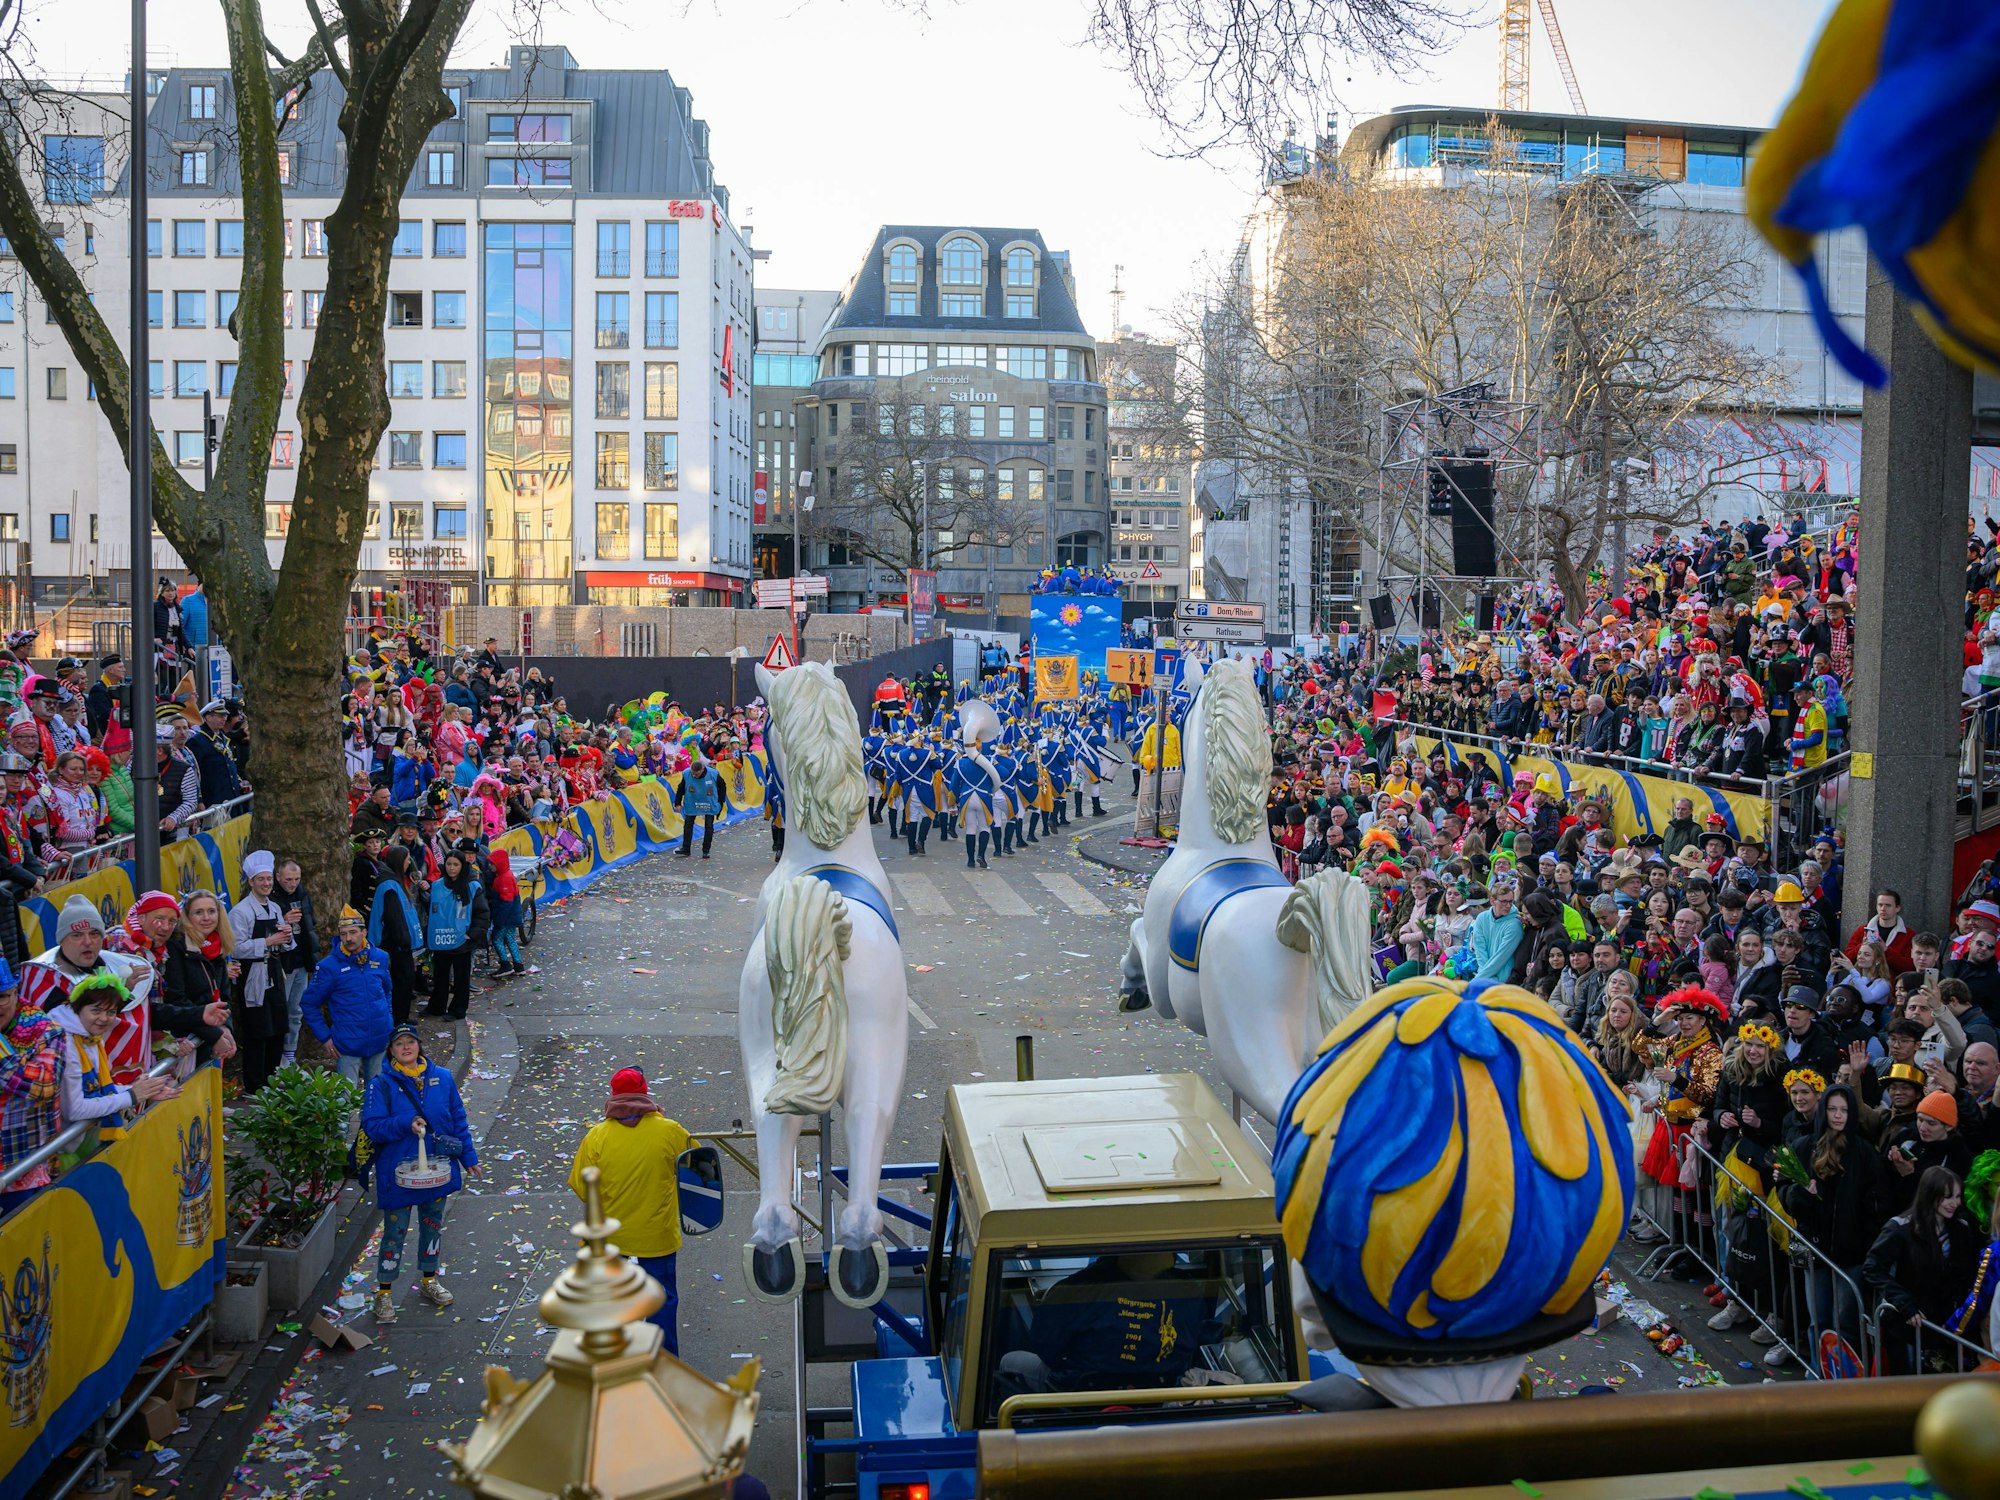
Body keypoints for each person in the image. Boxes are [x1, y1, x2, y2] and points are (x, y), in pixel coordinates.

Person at [568, 1067, 692, 1354]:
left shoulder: (597, 1136)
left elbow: (581, 1187)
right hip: (656, 1235)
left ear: (613, 1095)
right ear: (645, 1092)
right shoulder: (671, 1131)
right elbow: (696, 1171)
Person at [360, 1024, 479, 1322]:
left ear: (419, 1045)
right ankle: (384, 1292)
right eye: (399, 1043)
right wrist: (405, 1123)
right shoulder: (379, 1085)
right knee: (394, 1233)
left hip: (436, 1171)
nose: (406, 1047)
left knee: (432, 1227)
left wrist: (468, 1157)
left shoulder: (443, 1078)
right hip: (398, 1174)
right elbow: (372, 1126)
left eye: (410, 1042)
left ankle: (429, 1280)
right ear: (391, 1051)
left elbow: (457, 1119)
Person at [1778, 1082, 1888, 1362]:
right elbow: (1785, 1194)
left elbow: (1877, 1204)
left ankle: (1842, 1379)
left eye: (1844, 1110)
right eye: (1832, 1109)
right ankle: (1818, 1373)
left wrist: (1863, 1242)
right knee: (1818, 1320)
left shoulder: (1864, 1153)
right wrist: (1801, 1194)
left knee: (1846, 1323)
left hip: (1851, 1255)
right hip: (1814, 1251)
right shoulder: (1804, 1147)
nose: (1838, 1115)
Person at [1864, 1167, 1981, 1374]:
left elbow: (1968, 1277)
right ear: (1930, 1194)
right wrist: (1903, 1303)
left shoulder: (1962, 1229)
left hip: (1947, 1327)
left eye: (1958, 1197)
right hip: (1909, 1324)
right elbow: (1873, 1267)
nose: (1955, 1203)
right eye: (1948, 1197)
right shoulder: (1900, 1227)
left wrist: (1960, 1317)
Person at [47, 973, 179, 1147]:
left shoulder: (89, 1036)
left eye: (111, 1012)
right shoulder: (66, 1044)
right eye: (96, 1010)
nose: (104, 1018)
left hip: (74, 1141)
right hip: (57, 1148)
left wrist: (141, 1090)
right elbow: (74, 1110)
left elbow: (96, 1089)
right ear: (78, 1007)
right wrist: (132, 1096)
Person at [228, 851, 296, 1089]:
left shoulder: (275, 908)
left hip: (275, 972)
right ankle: (254, 1084)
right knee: (258, 1029)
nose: (266, 883)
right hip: (253, 975)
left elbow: (285, 944)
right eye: (261, 880)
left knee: (277, 1026)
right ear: (251, 882)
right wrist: (268, 941)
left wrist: (287, 936)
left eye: (268, 879)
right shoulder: (240, 912)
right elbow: (236, 948)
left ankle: (271, 1078)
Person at [302, 907, 395, 1083]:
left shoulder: (381, 957)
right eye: (343, 934)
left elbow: (387, 991)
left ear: (364, 932)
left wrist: (388, 1020)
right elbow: (309, 1004)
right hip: (347, 1045)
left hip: (379, 1040)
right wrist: (325, 1037)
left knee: (377, 1095)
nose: (348, 938)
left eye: (353, 932)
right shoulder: (328, 967)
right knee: (346, 1097)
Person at [0, 960, 63, 1215]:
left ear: (16, 993)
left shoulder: (45, 1030)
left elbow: (45, 1084)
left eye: (2, 997)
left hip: (21, 1168)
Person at [422, 849, 488, 1021]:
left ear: (462, 866)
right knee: (440, 977)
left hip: (461, 941)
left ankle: (457, 1010)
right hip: (440, 939)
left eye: (456, 865)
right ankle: (437, 1007)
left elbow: (482, 913)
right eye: (449, 864)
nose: (451, 868)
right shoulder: (437, 886)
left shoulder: (472, 886)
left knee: (461, 979)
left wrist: (472, 934)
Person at [368, 847, 425, 1025]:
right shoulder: (390, 886)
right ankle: (399, 1019)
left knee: (404, 979)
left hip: (398, 942)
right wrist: (405, 942)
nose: (409, 862)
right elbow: (394, 919)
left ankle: (401, 1016)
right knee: (402, 979)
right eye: (407, 859)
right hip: (395, 943)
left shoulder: (393, 882)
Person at [273, 859, 320, 1067]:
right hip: (284, 963)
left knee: (296, 1010)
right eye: (288, 879)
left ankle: (290, 1052)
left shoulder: (302, 893)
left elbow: (310, 924)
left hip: (302, 959)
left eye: (296, 879)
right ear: (278, 877)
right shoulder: (272, 896)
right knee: (280, 1009)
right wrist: (283, 920)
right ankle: (276, 1054)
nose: (293, 884)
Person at [488, 848, 528, 979]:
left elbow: (506, 903)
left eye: (492, 863)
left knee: (496, 939)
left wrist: (499, 920)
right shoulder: (506, 875)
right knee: (510, 939)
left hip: (505, 917)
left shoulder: (504, 878)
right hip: (511, 916)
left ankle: (505, 965)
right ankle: (518, 966)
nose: (490, 866)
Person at [679, 754, 722, 859]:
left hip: (708, 801)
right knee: (688, 824)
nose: (694, 776)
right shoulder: (686, 773)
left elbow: (722, 787)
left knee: (709, 826)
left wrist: (720, 802)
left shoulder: (713, 773)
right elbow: (681, 788)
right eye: (693, 773)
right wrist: (677, 802)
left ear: (702, 770)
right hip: (692, 801)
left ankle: (706, 850)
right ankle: (686, 849)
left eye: (697, 774)